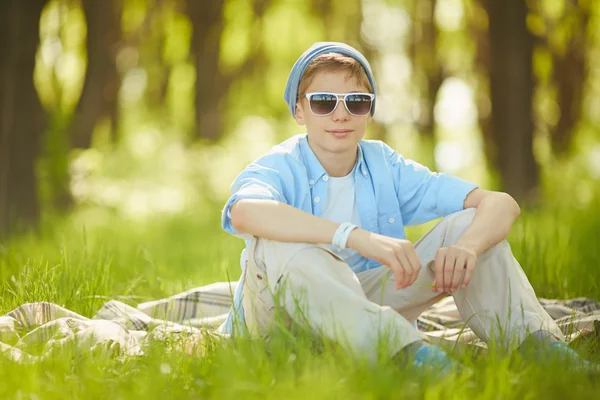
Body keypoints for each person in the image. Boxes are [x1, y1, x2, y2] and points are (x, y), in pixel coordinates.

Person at [218, 41, 592, 375]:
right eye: (323, 101)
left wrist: (468, 247)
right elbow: (244, 212)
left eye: (356, 101)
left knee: (468, 226)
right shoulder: (281, 163)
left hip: (362, 302)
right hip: (279, 319)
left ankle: (540, 350)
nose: (340, 114)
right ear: (299, 111)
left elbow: (500, 204)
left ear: (369, 111)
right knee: (279, 241)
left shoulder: (384, 165)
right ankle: (406, 354)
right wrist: (356, 237)